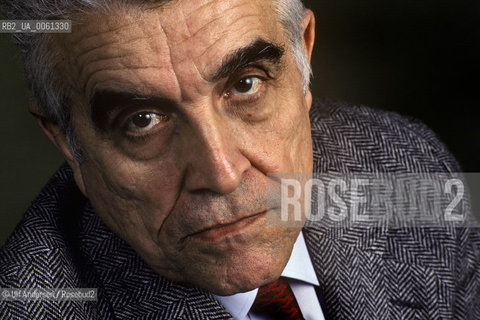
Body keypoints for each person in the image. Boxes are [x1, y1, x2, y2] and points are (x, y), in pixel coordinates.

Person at [0, 0, 479, 319]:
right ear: (67, 142)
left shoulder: (410, 164)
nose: (223, 175)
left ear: (302, 59)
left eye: (245, 84)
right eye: (141, 119)